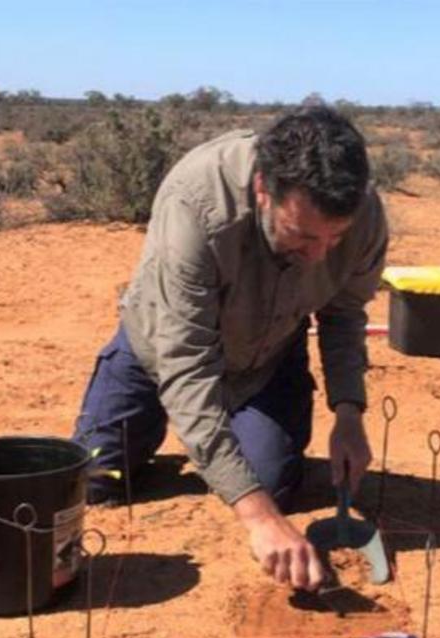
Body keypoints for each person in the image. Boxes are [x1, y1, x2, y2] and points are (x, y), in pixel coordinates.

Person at [72, 105, 388, 591]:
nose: (320, 254)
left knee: (270, 482)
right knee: (95, 479)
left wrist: (349, 414)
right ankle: (165, 425)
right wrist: (259, 519)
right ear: (263, 189)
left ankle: (215, 442)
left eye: (335, 237)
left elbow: (343, 314)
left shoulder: (364, 216)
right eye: (302, 235)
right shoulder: (196, 204)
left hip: (267, 358)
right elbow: (185, 364)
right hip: (161, 351)